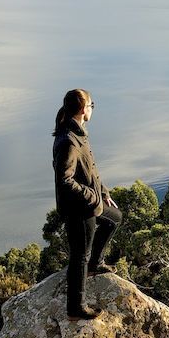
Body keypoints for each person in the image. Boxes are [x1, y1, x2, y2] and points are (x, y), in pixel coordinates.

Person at [52, 89, 123, 319]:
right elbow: (65, 181)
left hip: (91, 202)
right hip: (79, 209)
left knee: (115, 218)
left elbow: (89, 167)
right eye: (92, 105)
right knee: (78, 256)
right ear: (84, 109)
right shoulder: (69, 141)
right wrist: (92, 196)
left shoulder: (78, 132)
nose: (92, 109)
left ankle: (96, 263)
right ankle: (76, 308)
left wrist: (102, 191)